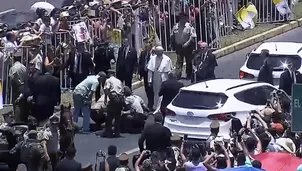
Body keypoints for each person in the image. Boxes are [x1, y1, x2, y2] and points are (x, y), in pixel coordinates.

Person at [171, 13, 196, 79]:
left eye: (185, 19)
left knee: (189, 61)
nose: (183, 20)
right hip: (179, 46)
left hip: (187, 46)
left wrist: (187, 43)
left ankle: (189, 74)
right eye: (182, 19)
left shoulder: (189, 26)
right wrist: (171, 44)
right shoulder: (175, 26)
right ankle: (178, 74)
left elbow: (192, 36)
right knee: (179, 61)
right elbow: (172, 36)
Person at [147, 45, 173, 110]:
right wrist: (149, 81)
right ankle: (156, 107)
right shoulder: (153, 58)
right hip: (156, 76)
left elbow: (170, 71)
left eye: (160, 52)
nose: (159, 53)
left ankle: (163, 107)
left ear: (162, 52)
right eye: (157, 52)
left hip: (164, 77)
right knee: (156, 92)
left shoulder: (167, 59)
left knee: (164, 92)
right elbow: (150, 71)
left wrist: (170, 80)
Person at [9, 55, 27, 122]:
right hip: (23, 86)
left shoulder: (13, 67)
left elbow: (12, 78)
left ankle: (17, 120)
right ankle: (22, 119)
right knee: (22, 103)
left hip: (17, 86)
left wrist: (10, 85)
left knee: (16, 104)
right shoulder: (23, 67)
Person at [138, 42, 153, 110]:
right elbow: (140, 63)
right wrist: (139, 74)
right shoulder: (143, 53)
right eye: (146, 47)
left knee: (151, 90)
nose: (147, 48)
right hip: (144, 73)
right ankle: (149, 102)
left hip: (151, 74)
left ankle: (151, 104)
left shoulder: (153, 54)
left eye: (148, 47)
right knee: (146, 89)